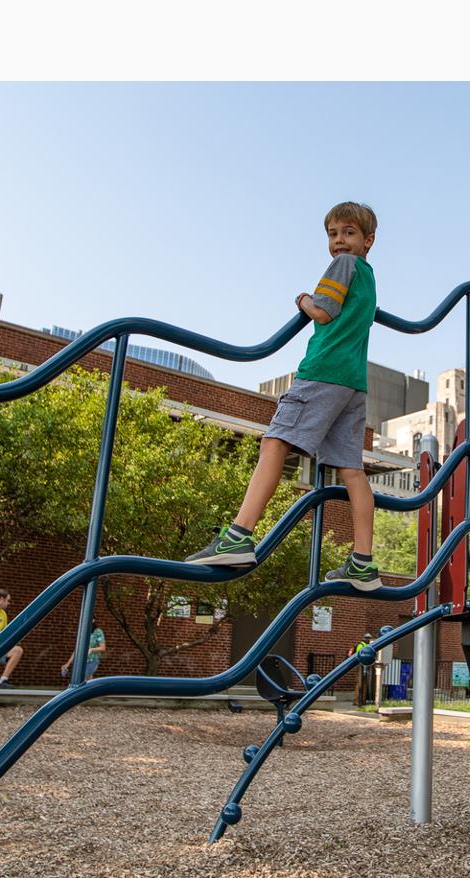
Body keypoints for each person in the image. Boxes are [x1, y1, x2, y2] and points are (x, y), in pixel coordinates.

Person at [186, 202, 381, 591]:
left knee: (274, 442)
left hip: (322, 372)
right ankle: (363, 562)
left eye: (348, 233)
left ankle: (239, 535)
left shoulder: (342, 267)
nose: (339, 241)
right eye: (332, 234)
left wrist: (304, 301)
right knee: (352, 470)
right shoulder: (369, 277)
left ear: (368, 240)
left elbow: (323, 311)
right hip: (353, 382)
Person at [354, 629, 377, 708]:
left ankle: (363, 700)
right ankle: (357, 701)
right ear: (363, 638)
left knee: (365, 684)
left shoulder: (369, 645)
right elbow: (359, 655)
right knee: (359, 683)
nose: (368, 639)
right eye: (366, 638)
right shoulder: (361, 645)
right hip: (360, 666)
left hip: (367, 666)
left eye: (369, 638)